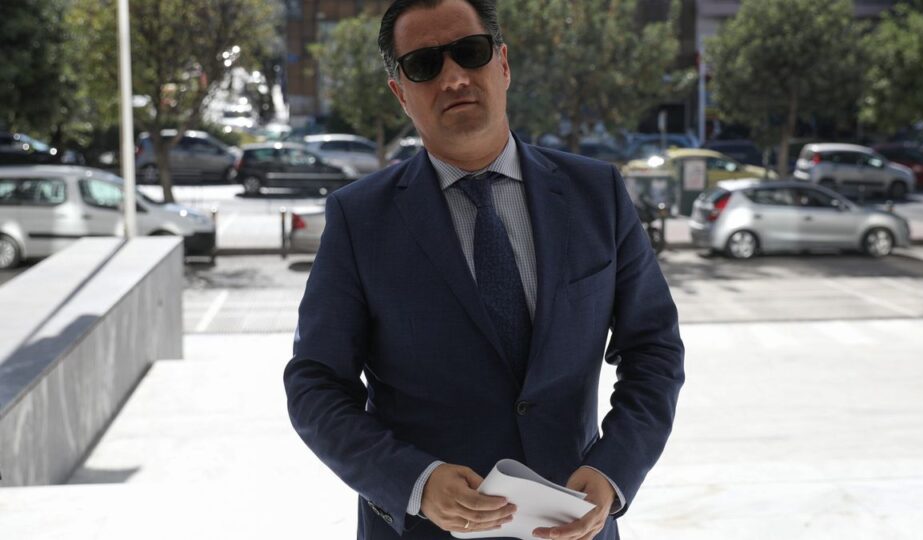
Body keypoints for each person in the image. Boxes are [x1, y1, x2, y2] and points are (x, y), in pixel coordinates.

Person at [283, 1, 685, 539]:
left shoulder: (597, 194)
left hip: (574, 524)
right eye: (424, 64)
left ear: (503, 64)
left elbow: (654, 349)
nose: (453, 78)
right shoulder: (359, 219)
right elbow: (315, 384)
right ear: (400, 93)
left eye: (469, 52)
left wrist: (614, 469)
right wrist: (414, 482)